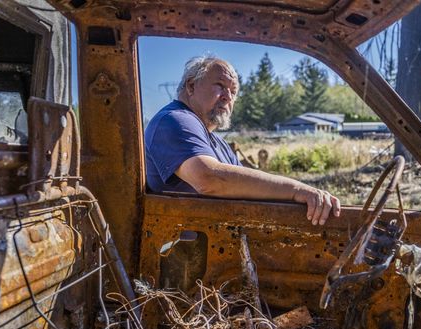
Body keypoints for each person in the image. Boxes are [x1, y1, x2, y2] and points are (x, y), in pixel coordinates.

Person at [145, 56, 341, 226]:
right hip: (183, 255)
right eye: (220, 86)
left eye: (233, 91)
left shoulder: (216, 141)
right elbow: (209, 179)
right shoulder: (174, 120)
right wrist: (297, 190)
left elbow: (244, 187)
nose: (228, 97)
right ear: (191, 86)